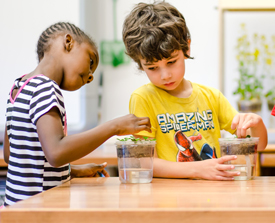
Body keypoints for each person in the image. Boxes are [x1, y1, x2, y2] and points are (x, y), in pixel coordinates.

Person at [3, 22, 151, 206]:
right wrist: (114, 126)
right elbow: (56, 153)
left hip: (15, 214)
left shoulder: (19, 87)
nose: (90, 77)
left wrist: (71, 171)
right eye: (90, 62)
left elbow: (13, 155)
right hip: (39, 217)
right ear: (68, 42)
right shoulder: (46, 88)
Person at [122, 1, 268, 181]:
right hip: (167, 199)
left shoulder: (211, 97)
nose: (165, 75)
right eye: (152, 68)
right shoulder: (143, 98)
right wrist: (197, 169)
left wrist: (257, 124)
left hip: (212, 195)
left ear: (186, 48)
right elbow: (145, 162)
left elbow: (258, 146)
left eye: (171, 62)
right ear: (140, 63)